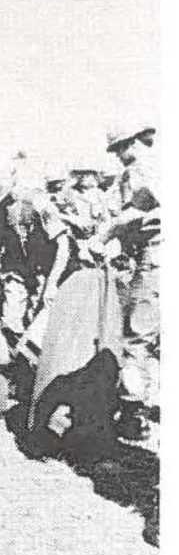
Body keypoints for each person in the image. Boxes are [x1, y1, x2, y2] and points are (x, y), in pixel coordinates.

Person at [94, 120, 159, 438]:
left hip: (154, 256)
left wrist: (104, 235)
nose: (119, 154)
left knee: (137, 337)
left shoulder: (141, 169)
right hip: (150, 255)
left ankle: (133, 414)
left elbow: (140, 210)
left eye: (121, 147)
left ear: (134, 142)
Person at [0, 161, 71, 356]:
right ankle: (18, 366)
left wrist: (52, 285)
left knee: (38, 323)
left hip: (45, 268)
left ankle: (37, 370)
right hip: (15, 267)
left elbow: (64, 246)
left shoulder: (37, 203)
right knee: (10, 322)